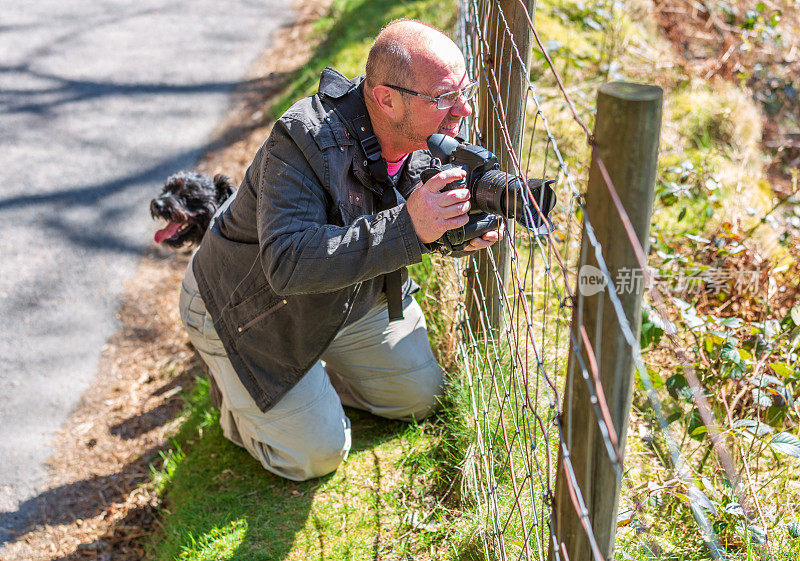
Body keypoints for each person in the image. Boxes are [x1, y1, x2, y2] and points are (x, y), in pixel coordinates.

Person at [178, 19, 502, 481]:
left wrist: (454, 233)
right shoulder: (302, 139)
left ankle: (307, 387)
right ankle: (238, 399)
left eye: (464, 91)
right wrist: (410, 226)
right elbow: (287, 265)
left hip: (346, 297)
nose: (464, 110)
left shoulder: (424, 134)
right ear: (387, 98)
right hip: (250, 310)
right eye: (444, 98)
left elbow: (410, 216)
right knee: (316, 456)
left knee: (420, 398)